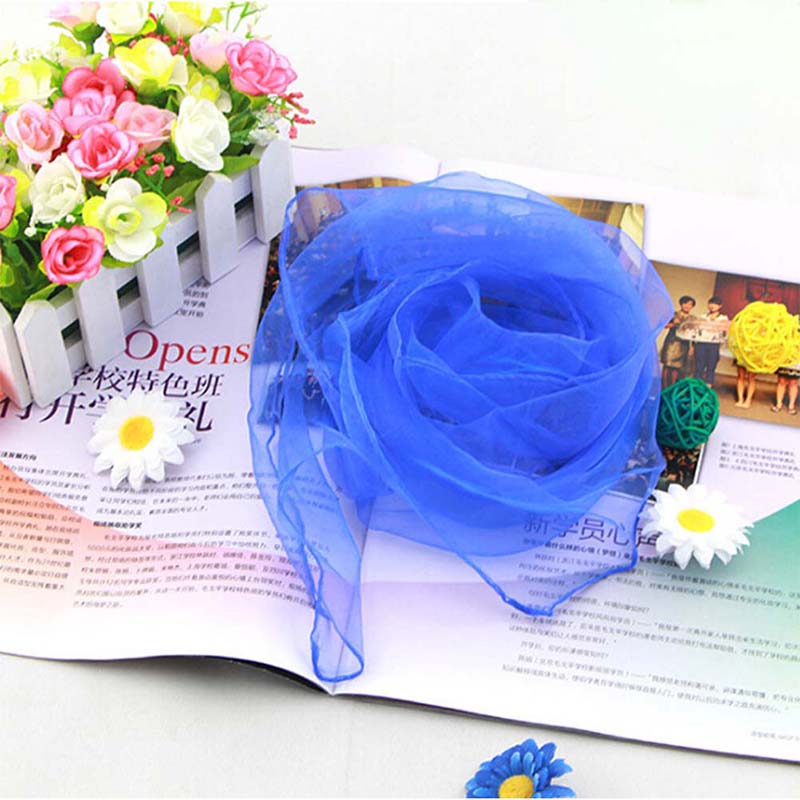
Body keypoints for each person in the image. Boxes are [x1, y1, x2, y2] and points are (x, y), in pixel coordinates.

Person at [660, 295, 696, 387]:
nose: (687, 306)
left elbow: (694, 333)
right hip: (671, 342)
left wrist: (692, 346)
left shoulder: (693, 319)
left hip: (683, 344)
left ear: (692, 306)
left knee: (677, 366)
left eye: (690, 304)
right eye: (685, 303)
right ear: (681, 304)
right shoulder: (673, 314)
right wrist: (673, 324)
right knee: (667, 365)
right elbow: (664, 325)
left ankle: (672, 387)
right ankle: (664, 387)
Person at [693, 296, 728, 387]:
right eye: (711, 304)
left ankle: (708, 387)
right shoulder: (702, 317)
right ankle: (696, 387)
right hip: (701, 343)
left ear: (720, 306)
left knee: (711, 367)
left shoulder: (723, 318)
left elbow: (724, 332)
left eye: (715, 304)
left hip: (714, 344)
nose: (712, 306)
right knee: (699, 366)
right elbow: (696, 331)